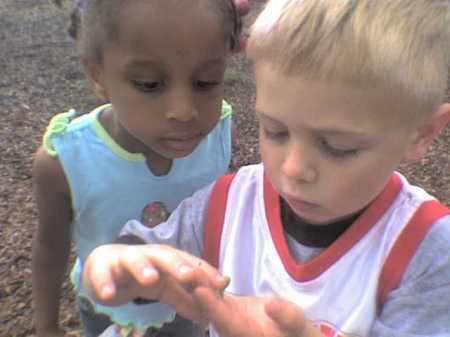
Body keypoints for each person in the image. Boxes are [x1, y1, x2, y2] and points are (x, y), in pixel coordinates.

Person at [82, 0, 450, 337]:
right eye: (275, 131)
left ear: (422, 134)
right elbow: (153, 252)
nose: (293, 168)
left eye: (338, 147)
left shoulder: (426, 253)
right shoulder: (230, 204)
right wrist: (122, 259)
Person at [31, 0, 248, 336]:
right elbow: (50, 245)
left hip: (192, 306)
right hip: (107, 308)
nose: (183, 111)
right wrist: (45, 327)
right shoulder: (64, 161)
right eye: (149, 84)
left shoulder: (220, 133)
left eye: (206, 82)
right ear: (97, 74)